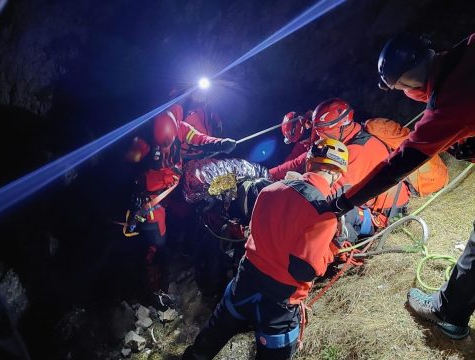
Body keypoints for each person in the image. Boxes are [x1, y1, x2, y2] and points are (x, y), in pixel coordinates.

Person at [331, 33, 475, 340]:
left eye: (399, 88)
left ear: (407, 82)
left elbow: (395, 167)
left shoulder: (446, 106)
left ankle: (449, 315)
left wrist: (344, 202)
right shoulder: (467, 49)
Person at [182, 139, 349, 360]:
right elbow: (304, 270)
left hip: (243, 285)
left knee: (206, 344)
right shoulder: (324, 216)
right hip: (277, 307)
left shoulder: (270, 189)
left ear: (309, 163)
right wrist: (333, 248)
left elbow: (256, 233)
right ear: (337, 174)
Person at [124, 104, 236, 306]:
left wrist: (221, 144)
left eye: (167, 144)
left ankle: (192, 252)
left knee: (198, 205)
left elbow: (200, 139)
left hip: (174, 187)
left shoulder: (181, 128)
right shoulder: (143, 142)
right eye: (162, 146)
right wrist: (139, 160)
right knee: (156, 242)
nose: (165, 149)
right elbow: (129, 165)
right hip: (154, 196)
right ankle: (154, 290)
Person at [270, 98, 410, 228]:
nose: (320, 137)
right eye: (318, 133)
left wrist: (297, 189)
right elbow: (300, 161)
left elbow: (332, 194)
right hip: (367, 201)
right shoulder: (348, 139)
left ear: (339, 128)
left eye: (323, 133)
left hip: (389, 214)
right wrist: (269, 174)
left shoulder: (358, 151)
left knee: (333, 213)